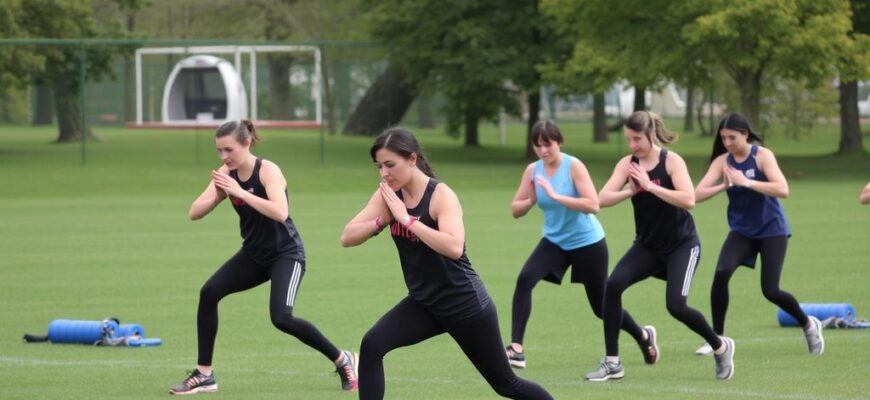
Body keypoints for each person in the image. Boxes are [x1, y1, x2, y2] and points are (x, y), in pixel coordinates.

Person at [340, 128, 554, 400]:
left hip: (465, 305)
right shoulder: (389, 197)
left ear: (412, 159)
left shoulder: (441, 195)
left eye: (390, 165)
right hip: (425, 303)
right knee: (372, 345)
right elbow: (347, 237)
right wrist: (383, 220)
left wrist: (407, 220)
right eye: (379, 166)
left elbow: (454, 247)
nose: (384, 173)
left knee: (507, 385)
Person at [169, 120, 358, 395]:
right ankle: (204, 374)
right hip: (253, 255)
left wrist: (240, 192)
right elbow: (194, 212)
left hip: (286, 255)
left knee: (282, 318)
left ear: (247, 144)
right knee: (209, 292)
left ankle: (343, 360)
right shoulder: (226, 174)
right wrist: (219, 193)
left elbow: (280, 212)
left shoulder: (268, 170)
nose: (224, 157)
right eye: (219, 151)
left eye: (229, 150)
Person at [585, 111, 735, 381]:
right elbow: (601, 199)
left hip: (682, 246)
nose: (633, 145)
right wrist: (631, 191)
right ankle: (613, 362)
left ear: (651, 135)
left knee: (676, 306)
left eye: (637, 139)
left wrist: (650, 186)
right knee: (613, 286)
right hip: (647, 246)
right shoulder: (628, 163)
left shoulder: (671, 161)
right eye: (629, 139)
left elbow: (688, 199)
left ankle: (720, 346)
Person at [504, 120, 658, 370]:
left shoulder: (573, 166)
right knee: (525, 279)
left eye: (548, 145)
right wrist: (531, 199)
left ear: (559, 142)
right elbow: (515, 210)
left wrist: (556, 197)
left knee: (601, 307)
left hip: (588, 242)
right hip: (555, 241)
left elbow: (593, 204)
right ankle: (517, 349)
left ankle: (643, 335)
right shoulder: (533, 170)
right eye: (538, 146)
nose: (543, 151)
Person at [694, 113, 824, 357]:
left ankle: (808, 324)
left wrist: (747, 182)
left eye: (732, 137)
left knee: (770, 290)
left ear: (745, 134)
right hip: (742, 231)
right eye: (723, 138)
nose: (727, 143)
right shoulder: (723, 161)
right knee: (721, 273)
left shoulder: (763, 156)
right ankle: (717, 340)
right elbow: (696, 194)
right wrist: (723, 186)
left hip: (772, 230)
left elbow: (782, 189)